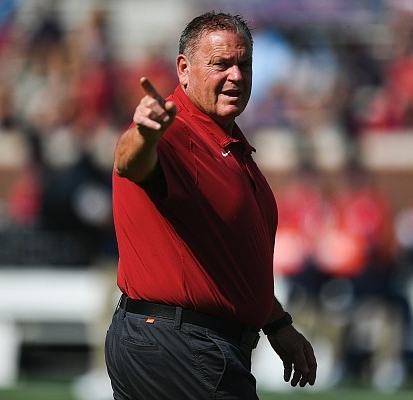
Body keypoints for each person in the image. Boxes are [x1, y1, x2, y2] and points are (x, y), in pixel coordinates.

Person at [105, 11, 317, 399]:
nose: (236, 76)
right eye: (221, 64)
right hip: (182, 344)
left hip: (185, 341)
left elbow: (227, 262)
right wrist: (146, 133)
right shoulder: (174, 132)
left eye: (244, 64)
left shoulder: (226, 144)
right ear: (184, 69)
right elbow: (128, 161)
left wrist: (277, 324)